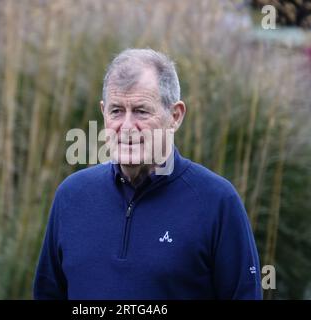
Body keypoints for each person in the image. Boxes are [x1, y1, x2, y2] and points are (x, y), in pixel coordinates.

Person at [33, 48, 262, 300]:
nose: (127, 127)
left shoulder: (217, 202)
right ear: (103, 113)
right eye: (116, 111)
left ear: (175, 116)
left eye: (141, 111)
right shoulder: (72, 196)